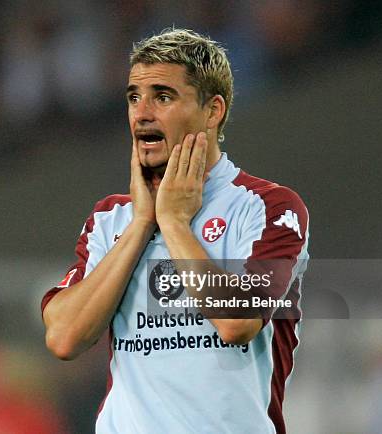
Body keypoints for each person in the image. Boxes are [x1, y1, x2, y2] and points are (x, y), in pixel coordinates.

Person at [41, 28, 309, 434]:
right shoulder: (112, 218)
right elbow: (63, 337)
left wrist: (173, 222)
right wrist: (142, 225)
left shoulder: (268, 206)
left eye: (162, 97)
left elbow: (237, 321)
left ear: (213, 110)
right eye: (134, 97)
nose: (142, 113)